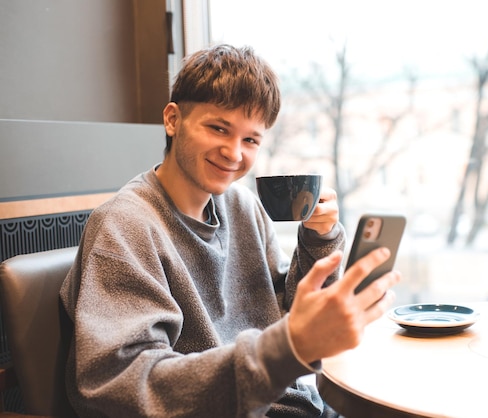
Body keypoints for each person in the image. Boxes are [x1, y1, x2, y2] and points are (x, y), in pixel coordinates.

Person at [60, 44, 401, 418]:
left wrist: (319, 239)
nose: (235, 153)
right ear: (173, 120)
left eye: (251, 139)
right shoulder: (126, 226)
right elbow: (119, 386)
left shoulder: (242, 206)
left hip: (295, 406)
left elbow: (284, 316)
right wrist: (288, 348)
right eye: (218, 128)